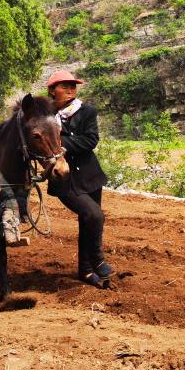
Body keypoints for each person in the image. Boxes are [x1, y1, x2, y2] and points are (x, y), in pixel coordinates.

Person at [45, 69, 111, 287]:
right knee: (95, 215)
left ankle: (86, 271)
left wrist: (59, 145)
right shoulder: (44, 117)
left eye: (72, 86)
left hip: (90, 176)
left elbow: (91, 140)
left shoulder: (87, 112)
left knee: (88, 221)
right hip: (63, 178)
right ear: (53, 90)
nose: (70, 89)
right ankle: (98, 261)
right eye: (64, 86)